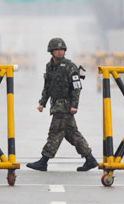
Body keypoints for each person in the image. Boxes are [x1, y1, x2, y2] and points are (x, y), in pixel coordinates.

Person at [26, 38, 98, 172]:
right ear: (51, 52)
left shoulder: (70, 66)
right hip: (56, 104)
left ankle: (44, 161)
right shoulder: (50, 66)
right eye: (57, 50)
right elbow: (47, 86)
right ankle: (90, 159)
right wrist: (42, 102)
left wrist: (74, 105)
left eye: (62, 50)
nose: (60, 52)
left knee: (55, 132)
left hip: (65, 106)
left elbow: (77, 87)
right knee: (72, 134)